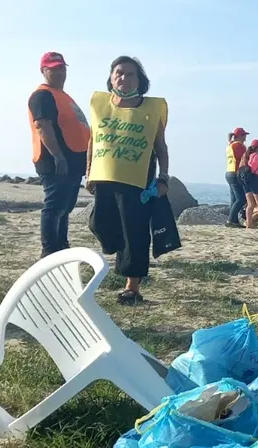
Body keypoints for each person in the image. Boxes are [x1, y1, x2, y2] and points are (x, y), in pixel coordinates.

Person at [85, 56, 170, 305]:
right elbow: (93, 140)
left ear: (139, 79)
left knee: (135, 232)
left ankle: (132, 286)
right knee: (98, 223)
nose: (123, 77)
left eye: (130, 74)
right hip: (104, 176)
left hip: (138, 179)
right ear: (111, 77)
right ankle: (119, 251)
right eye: (118, 72)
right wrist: (88, 171)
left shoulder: (152, 108)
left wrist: (163, 177)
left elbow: (161, 147)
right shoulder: (99, 104)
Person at [29, 52, 90, 259]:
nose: (59, 72)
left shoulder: (62, 95)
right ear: (43, 71)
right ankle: (48, 251)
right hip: (56, 161)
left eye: (62, 68)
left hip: (73, 160)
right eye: (53, 68)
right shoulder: (42, 95)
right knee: (54, 206)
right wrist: (58, 157)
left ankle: (61, 245)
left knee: (65, 207)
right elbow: (42, 126)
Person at [225, 127, 249, 228]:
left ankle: (234, 220)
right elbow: (245, 158)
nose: (245, 138)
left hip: (229, 172)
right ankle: (230, 220)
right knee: (241, 199)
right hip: (235, 173)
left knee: (234, 199)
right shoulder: (239, 146)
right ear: (239, 136)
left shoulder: (230, 145)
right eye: (244, 136)